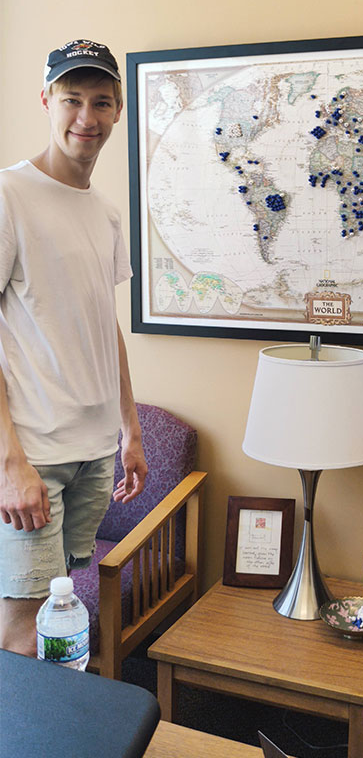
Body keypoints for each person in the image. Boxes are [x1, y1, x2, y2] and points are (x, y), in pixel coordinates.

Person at [0, 39, 147, 657]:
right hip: (34, 451)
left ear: (117, 113)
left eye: (101, 102)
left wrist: (130, 432)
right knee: (23, 627)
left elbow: (102, 323)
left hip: (92, 454)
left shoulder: (106, 213)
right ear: (46, 101)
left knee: (61, 617)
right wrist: (10, 465)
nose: (86, 116)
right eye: (71, 99)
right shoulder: (9, 196)